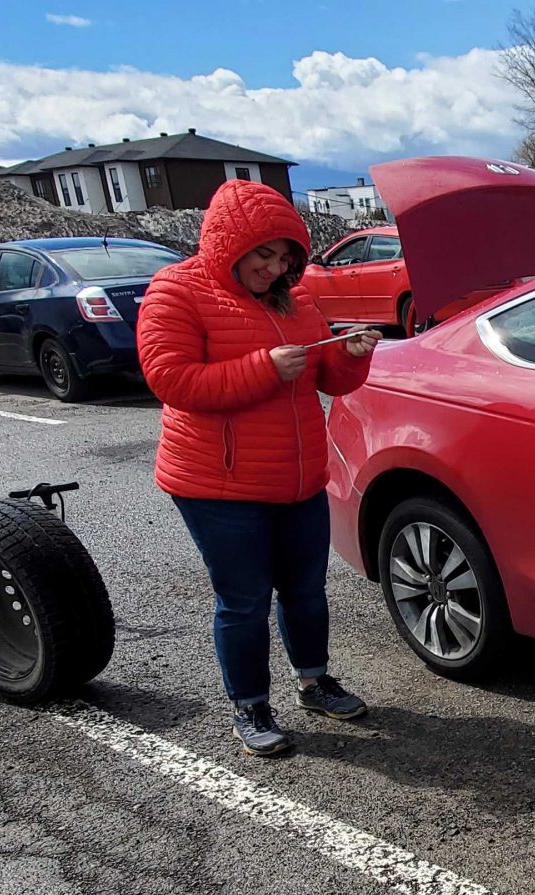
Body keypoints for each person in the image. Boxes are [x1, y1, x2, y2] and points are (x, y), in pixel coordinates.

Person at [136, 178, 380, 757]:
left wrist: (348, 357)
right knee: (243, 599)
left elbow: (326, 378)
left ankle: (315, 681)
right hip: (217, 482)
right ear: (230, 245)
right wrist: (265, 367)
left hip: (297, 477)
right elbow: (170, 380)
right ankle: (250, 704)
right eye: (263, 256)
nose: (275, 270)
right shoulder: (176, 290)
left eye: (285, 258)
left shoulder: (295, 300)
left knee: (305, 591)